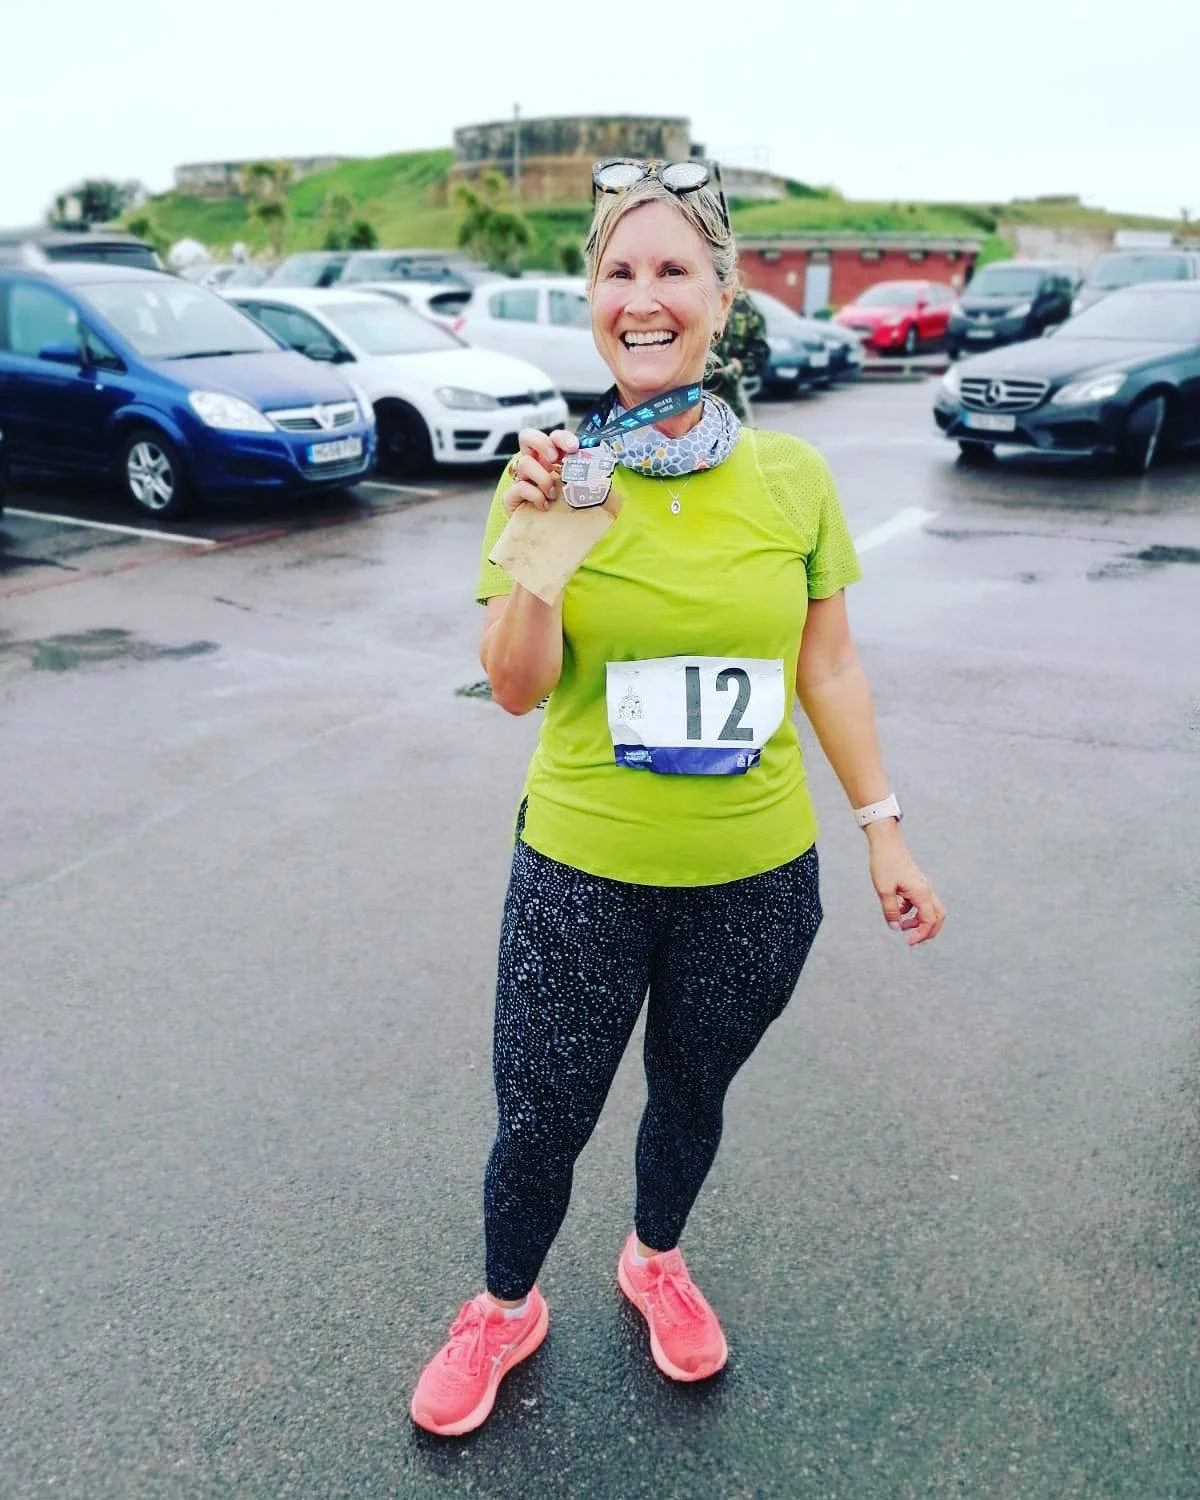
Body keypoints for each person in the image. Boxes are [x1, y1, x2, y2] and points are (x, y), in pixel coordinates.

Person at [410, 159, 946, 1438]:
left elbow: (827, 662)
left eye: (671, 271)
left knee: (692, 1095)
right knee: (541, 1114)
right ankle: (504, 1304)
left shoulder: (791, 481)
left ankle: (656, 1258)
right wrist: (543, 547)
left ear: (722, 296)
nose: (641, 299)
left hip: (755, 879)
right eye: (616, 272)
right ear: (592, 297)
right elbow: (513, 690)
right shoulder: (551, 473)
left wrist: (885, 834)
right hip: (582, 870)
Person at [706, 284, 769, 421]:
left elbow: (760, 349)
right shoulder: (693, 292)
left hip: (731, 403)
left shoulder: (742, 302)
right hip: (688, 400)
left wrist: (742, 365)